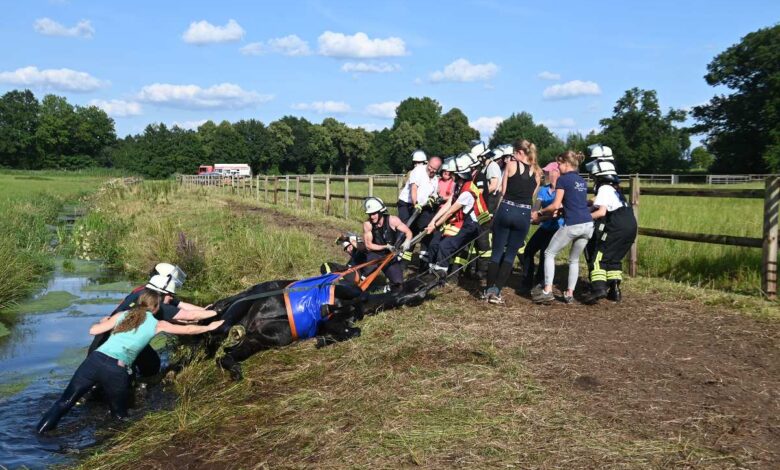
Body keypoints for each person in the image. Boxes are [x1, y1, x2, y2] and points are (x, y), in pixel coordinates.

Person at [36, 290, 224, 434]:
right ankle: (113, 446)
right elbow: (189, 330)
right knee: (119, 415)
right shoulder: (158, 324)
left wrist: (104, 320)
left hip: (93, 362)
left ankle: (41, 433)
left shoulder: (122, 315)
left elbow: (93, 331)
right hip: (116, 370)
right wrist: (211, 325)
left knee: (64, 402)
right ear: (156, 307)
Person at [86, 264, 216, 378]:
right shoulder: (158, 304)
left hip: (117, 339)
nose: (172, 298)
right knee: (147, 368)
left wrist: (205, 310)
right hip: (111, 346)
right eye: (170, 295)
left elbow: (181, 305)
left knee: (151, 365)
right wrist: (217, 312)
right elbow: (190, 315)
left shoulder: (147, 293)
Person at [533, 150, 594, 304]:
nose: (557, 167)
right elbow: (575, 202)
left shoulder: (563, 180)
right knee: (574, 259)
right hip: (588, 224)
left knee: (549, 253)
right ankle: (569, 294)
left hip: (573, 224)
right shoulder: (581, 181)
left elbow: (554, 205)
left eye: (559, 164)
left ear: (566, 164)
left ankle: (547, 291)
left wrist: (539, 212)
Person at [483, 139, 540, 304]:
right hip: (523, 214)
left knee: (497, 252)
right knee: (510, 255)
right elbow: (531, 196)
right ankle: (497, 292)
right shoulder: (537, 171)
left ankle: (487, 289)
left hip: (507, 209)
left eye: (514, 153)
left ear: (519, 152)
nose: (512, 156)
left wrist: (495, 215)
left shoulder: (511, 165)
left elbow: (502, 191)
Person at [582, 155, 637, 304]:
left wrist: (581, 218)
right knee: (613, 259)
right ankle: (615, 290)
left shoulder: (604, 188)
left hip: (616, 226)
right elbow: (595, 207)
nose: (594, 181)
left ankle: (598, 289)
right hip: (630, 225)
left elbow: (600, 212)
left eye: (594, 178)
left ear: (600, 177)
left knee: (598, 258)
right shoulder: (615, 190)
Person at [426, 153, 490, 279]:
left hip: (473, 225)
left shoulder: (467, 191)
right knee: (435, 243)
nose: (450, 175)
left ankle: (440, 277)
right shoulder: (458, 185)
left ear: (458, 174)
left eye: (452, 173)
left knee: (446, 246)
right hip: (461, 220)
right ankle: (431, 272)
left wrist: (435, 225)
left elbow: (450, 211)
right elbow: (447, 204)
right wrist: (433, 222)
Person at [521, 161, 563, 290]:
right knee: (528, 251)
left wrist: (540, 219)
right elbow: (537, 205)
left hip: (557, 227)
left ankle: (540, 282)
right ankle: (527, 280)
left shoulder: (561, 191)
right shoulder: (544, 190)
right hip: (545, 226)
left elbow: (558, 213)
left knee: (546, 254)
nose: (545, 173)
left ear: (556, 173)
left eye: (548, 171)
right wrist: (533, 214)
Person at [396, 154, 442, 267]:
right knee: (406, 230)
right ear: (428, 163)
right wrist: (415, 204)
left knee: (426, 231)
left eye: (434, 169)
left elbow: (434, 193)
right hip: (408, 204)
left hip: (423, 207)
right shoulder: (418, 171)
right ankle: (398, 257)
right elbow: (414, 189)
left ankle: (424, 261)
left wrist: (433, 199)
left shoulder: (435, 178)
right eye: (430, 167)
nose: (431, 170)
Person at [363, 197, 413, 292]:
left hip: (390, 255)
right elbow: (368, 245)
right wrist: (385, 246)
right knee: (365, 276)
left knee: (398, 283)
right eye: (370, 214)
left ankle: (388, 287)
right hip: (374, 254)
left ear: (381, 212)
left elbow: (408, 232)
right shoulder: (367, 224)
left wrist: (408, 241)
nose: (372, 217)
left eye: (374, 213)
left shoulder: (392, 220)